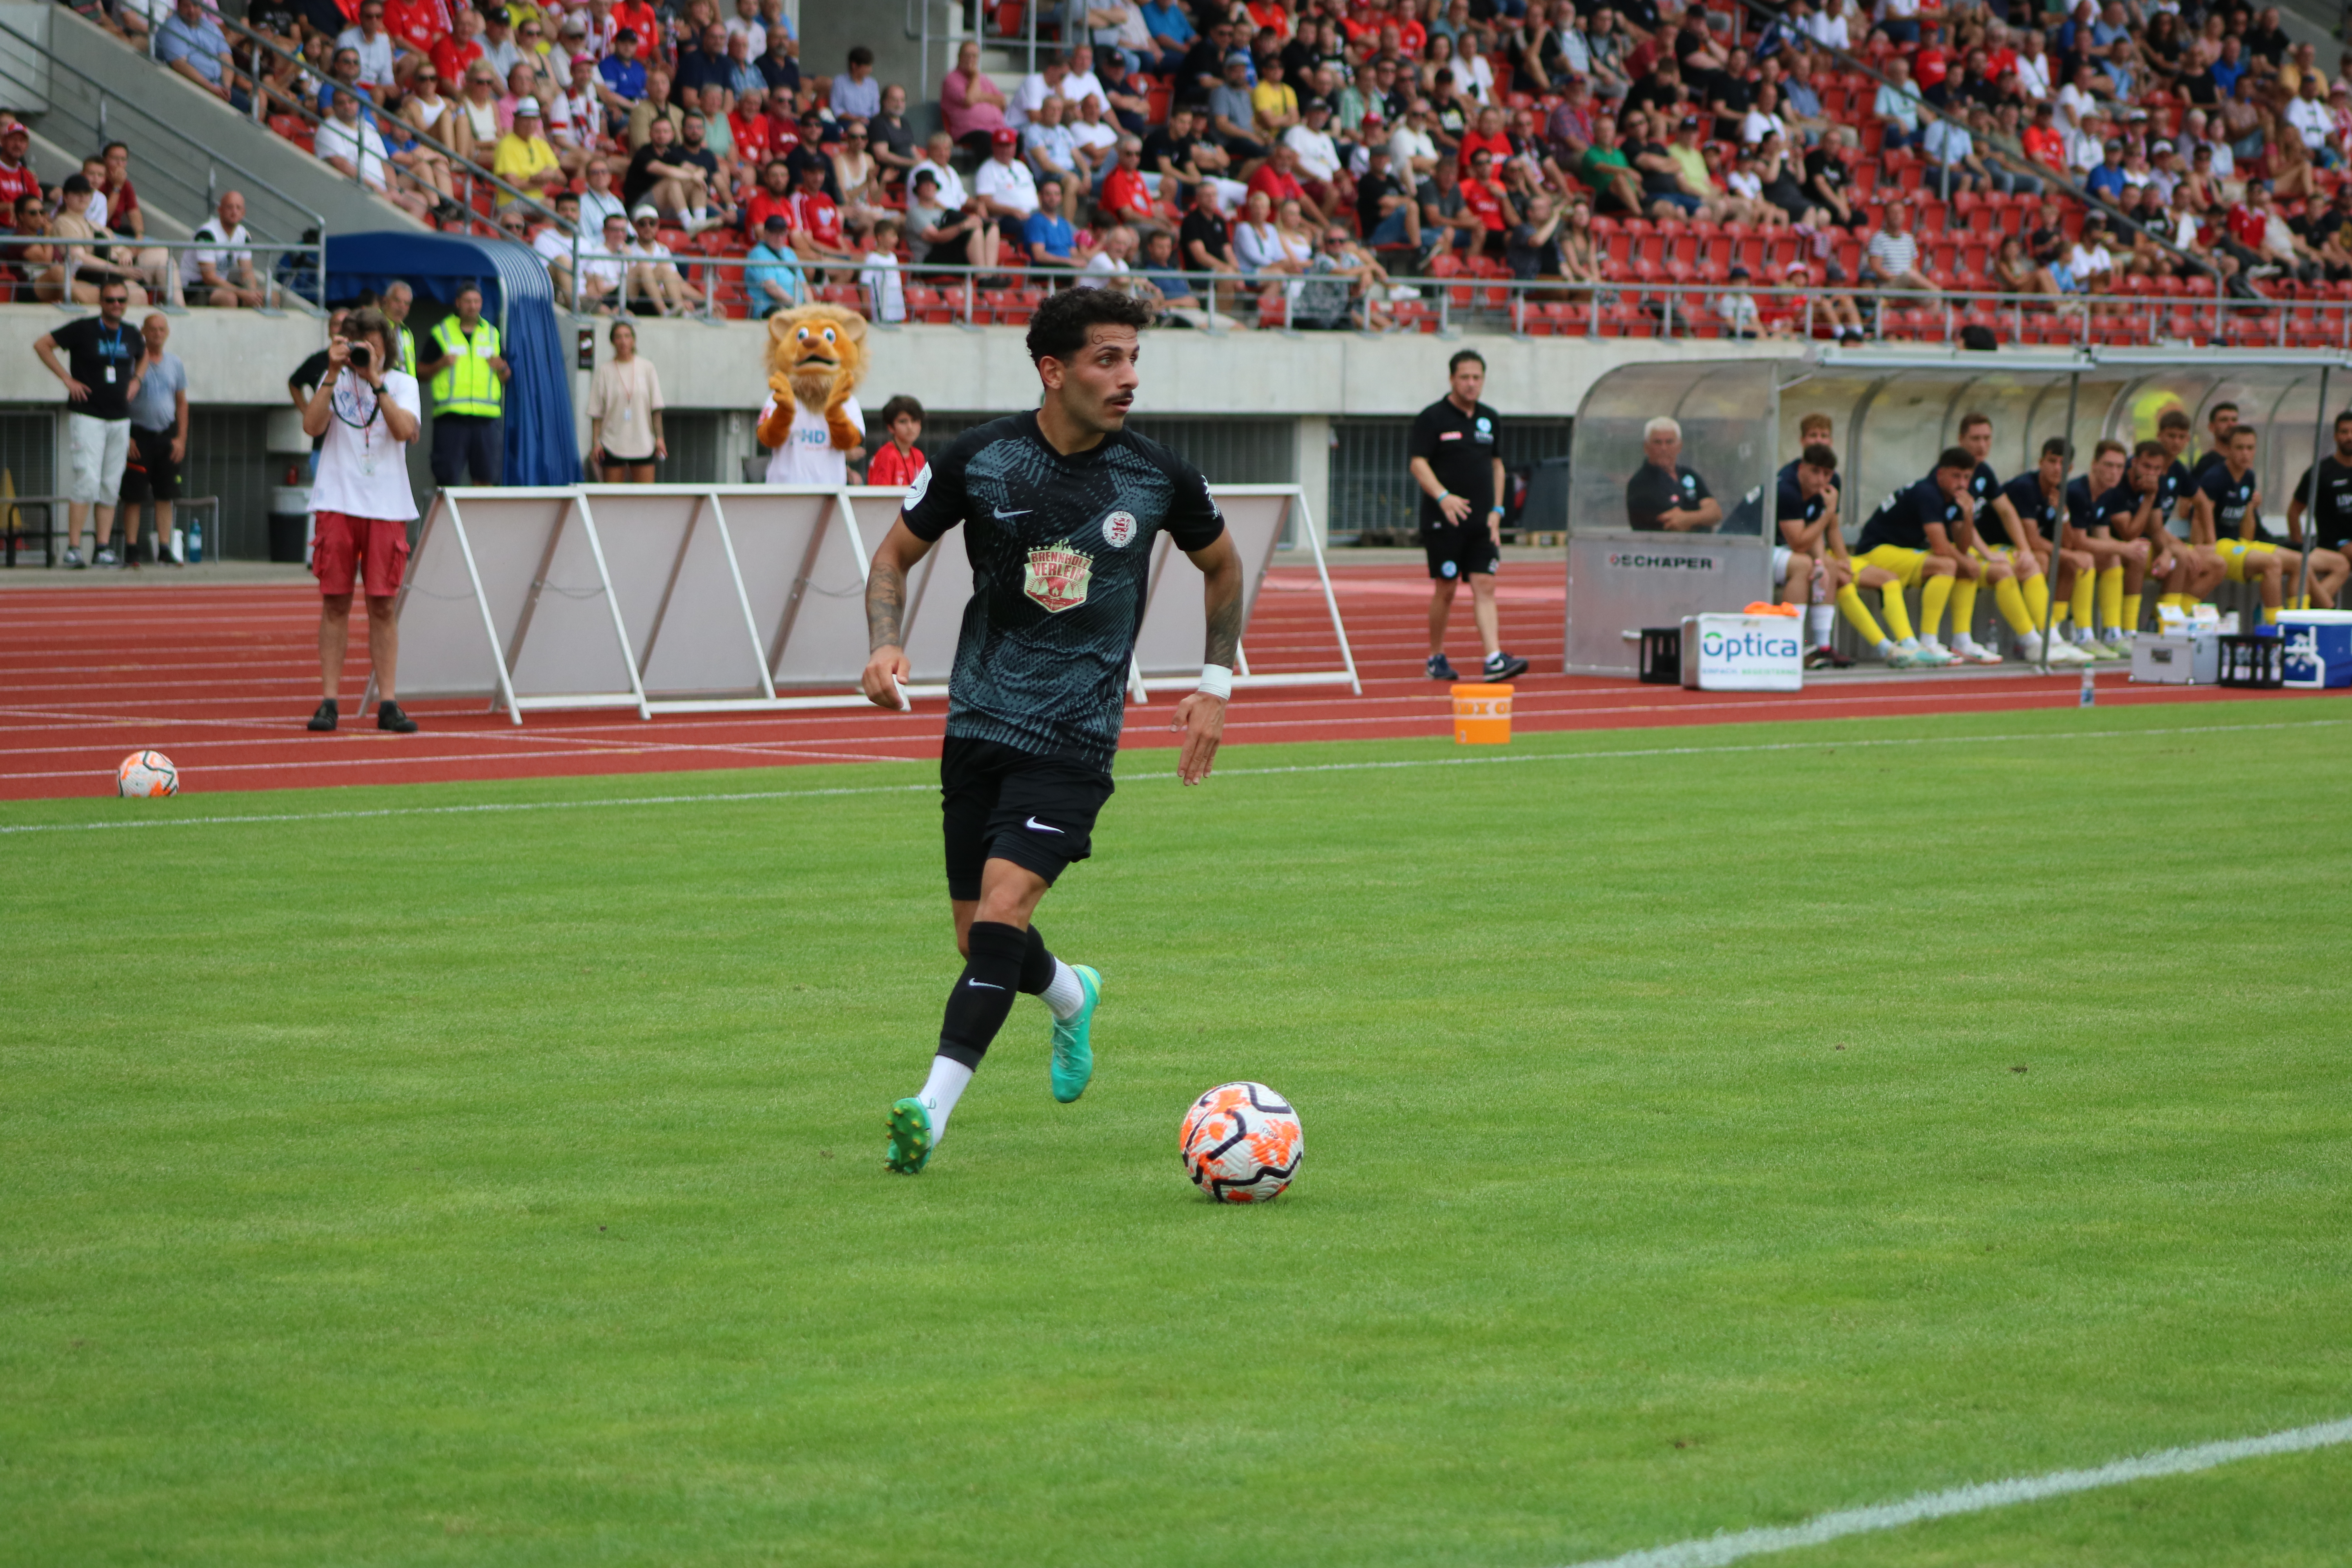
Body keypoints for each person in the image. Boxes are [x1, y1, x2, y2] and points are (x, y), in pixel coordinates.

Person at [856, 287, 1243, 1174]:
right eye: (1109, 360)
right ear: (1053, 369)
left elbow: (1221, 566)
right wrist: (884, 647)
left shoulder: (1157, 476)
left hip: (1074, 737)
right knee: (977, 936)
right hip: (977, 726)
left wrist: (1214, 684)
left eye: (1134, 359)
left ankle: (930, 1107)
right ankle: (1072, 995)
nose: (1128, 378)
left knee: (1002, 912)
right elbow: (894, 556)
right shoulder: (979, 459)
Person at [302, 307, 421, 734]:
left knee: (383, 606)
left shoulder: (403, 383)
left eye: (372, 344)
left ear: (386, 346)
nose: (364, 351)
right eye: (358, 344)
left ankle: (388, 702)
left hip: (387, 505)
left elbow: (405, 430)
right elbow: (312, 426)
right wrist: (334, 373)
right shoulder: (333, 380)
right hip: (337, 500)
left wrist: (376, 380)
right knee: (334, 602)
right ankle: (330, 700)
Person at [1409, 350, 1531, 683]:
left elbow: (1496, 465)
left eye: (1477, 378)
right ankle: (1435, 657)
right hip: (1444, 521)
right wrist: (1444, 498)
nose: (1471, 384)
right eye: (1464, 377)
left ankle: (1493, 658)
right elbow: (1418, 463)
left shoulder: (1490, 418)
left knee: (1486, 584)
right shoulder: (1433, 418)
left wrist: (1498, 511)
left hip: (1482, 522)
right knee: (1446, 588)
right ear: (1452, 379)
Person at [1948, 412, 2084, 666]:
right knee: (2003, 571)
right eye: (1975, 438)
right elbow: (1959, 524)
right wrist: (1989, 554)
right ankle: (2030, 642)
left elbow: (2006, 511)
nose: (1982, 445)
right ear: (1961, 439)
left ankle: (2051, 636)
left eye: (1987, 439)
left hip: (1980, 547)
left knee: (2032, 562)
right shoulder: (1953, 473)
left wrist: (2024, 550)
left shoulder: (1984, 471)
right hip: (1956, 548)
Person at [33, 283, 144, 569]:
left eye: (121, 300)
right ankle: (73, 548)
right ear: (101, 301)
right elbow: (43, 345)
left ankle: (103, 548)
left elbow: (143, 356)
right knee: (87, 480)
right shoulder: (83, 329)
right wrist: (67, 380)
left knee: (111, 484)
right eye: (111, 300)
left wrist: (137, 380)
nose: (116, 304)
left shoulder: (131, 333)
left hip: (119, 417)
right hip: (88, 415)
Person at [1849, 450, 1975, 668]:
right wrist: (1970, 565)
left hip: (1902, 553)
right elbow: (1940, 546)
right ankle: (1928, 642)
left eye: (1967, 478)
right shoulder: (1928, 493)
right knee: (1949, 565)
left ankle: (1963, 639)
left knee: (1962, 567)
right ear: (1941, 474)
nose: (1962, 484)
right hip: (1876, 550)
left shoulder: (1952, 497)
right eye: (1956, 476)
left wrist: (1968, 515)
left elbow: (1962, 547)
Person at [2001, 436, 2113, 661]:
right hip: (2001, 545)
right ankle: (2036, 637)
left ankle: (2059, 633)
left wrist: (2063, 516)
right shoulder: (2026, 487)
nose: (2057, 468)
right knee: (2043, 559)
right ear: (2041, 462)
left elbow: (2069, 543)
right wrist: (2072, 554)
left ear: (2070, 468)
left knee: (2072, 563)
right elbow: (2032, 539)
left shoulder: (2063, 491)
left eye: (2063, 464)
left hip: (2025, 550)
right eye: (2052, 461)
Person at [2193, 425, 2296, 625]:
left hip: (2237, 544)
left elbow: (2246, 532)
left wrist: (2250, 508)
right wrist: (2204, 550)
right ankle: (2276, 625)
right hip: (2218, 545)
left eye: (2250, 448)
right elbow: (2199, 517)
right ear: (2229, 450)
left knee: (2298, 562)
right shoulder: (2215, 477)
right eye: (2240, 448)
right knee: (2272, 563)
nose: (2245, 454)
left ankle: (2298, 620)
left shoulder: (2248, 476)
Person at [415, 282, 509, 486]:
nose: (472, 306)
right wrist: (439, 365)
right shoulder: (441, 333)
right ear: (458, 304)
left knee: (486, 478)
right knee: (446, 478)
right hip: (451, 418)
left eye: (476, 302)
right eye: (468, 302)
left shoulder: (493, 334)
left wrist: (502, 368)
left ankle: (481, 520)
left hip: (487, 418)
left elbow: (506, 377)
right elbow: (420, 372)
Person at [1775, 442, 1853, 667]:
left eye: (1827, 474)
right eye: (1815, 471)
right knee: (1802, 564)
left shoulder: (1828, 487)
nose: (1821, 479)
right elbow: (1799, 543)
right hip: (1754, 548)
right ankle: (1792, 645)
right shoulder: (1787, 489)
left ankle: (1822, 647)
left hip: (1781, 548)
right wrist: (1829, 512)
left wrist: (1822, 562)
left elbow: (1813, 530)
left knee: (1827, 566)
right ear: (1802, 468)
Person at [119, 312, 188, 566]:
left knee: (166, 495)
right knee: (134, 495)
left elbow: (182, 403)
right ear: (144, 332)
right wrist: (126, 437)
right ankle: (132, 549)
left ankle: (165, 548)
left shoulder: (175, 364)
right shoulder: (132, 363)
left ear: (167, 332)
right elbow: (121, 400)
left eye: (162, 329)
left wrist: (181, 438)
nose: (158, 334)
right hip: (139, 435)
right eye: (153, 329)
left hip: (166, 436)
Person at [2284, 412, 2352, 610]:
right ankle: (2307, 613)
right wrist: (2298, 547)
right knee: (2336, 563)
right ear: (2335, 436)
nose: (2349, 437)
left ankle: (2315, 608)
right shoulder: (2321, 472)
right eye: (2344, 432)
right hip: (2330, 546)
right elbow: (2294, 511)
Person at [586, 318, 664, 482]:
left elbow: (656, 407)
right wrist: (596, 442)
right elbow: (596, 412)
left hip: (643, 443)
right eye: (619, 337)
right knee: (612, 498)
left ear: (633, 340)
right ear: (613, 341)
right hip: (612, 443)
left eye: (627, 336)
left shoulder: (647, 368)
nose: (623, 342)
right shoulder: (604, 371)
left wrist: (660, 438)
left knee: (645, 498)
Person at [1624, 416, 1721, 534]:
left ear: (1680, 446)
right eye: (1657, 443)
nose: (1664, 448)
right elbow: (1674, 524)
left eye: (1669, 442)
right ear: (1646, 447)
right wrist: (1702, 518)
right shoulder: (1640, 483)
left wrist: (1688, 519)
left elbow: (1715, 513)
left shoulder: (1689, 475)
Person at [183, 190, 268, 309]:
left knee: (270, 297)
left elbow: (248, 273)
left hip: (220, 287)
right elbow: (209, 278)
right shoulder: (207, 233)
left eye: (238, 208)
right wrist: (243, 294)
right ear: (220, 210)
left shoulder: (243, 234)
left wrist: (253, 293)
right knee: (229, 298)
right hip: (195, 288)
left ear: (244, 213)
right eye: (230, 207)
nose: (234, 212)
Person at [744, 214, 808, 312]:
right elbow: (772, 289)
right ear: (766, 233)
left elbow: (804, 285)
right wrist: (797, 307)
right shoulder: (758, 253)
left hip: (795, 308)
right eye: (775, 233)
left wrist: (812, 308)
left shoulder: (789, 252)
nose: (779, 237)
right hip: (771, 309)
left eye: (782, 233)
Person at [865, 394, 925, 487]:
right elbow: (880, 497)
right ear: (891, 427)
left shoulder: (919, 456)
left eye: (914, 421)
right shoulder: (887, 456)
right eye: (903, 422)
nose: (910, 427)